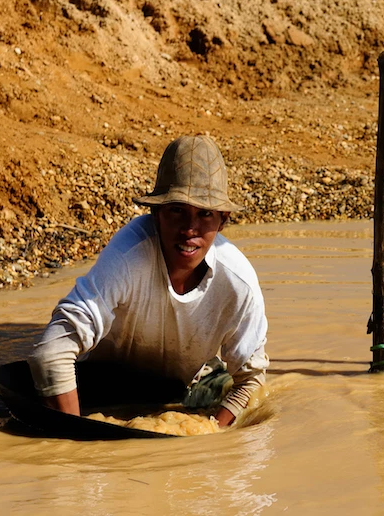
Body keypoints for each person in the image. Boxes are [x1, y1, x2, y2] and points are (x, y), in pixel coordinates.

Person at [28, 135, 268, 427]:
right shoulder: (129, 257)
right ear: (156, 214)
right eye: (177, 210)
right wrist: (76, 442)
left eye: (205, 214)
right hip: (103, 385)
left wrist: (207, 434)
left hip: (181, 391)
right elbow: (51, 353)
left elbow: (251, 381)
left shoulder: (238, 283)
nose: (189, 229)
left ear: (223, 220)